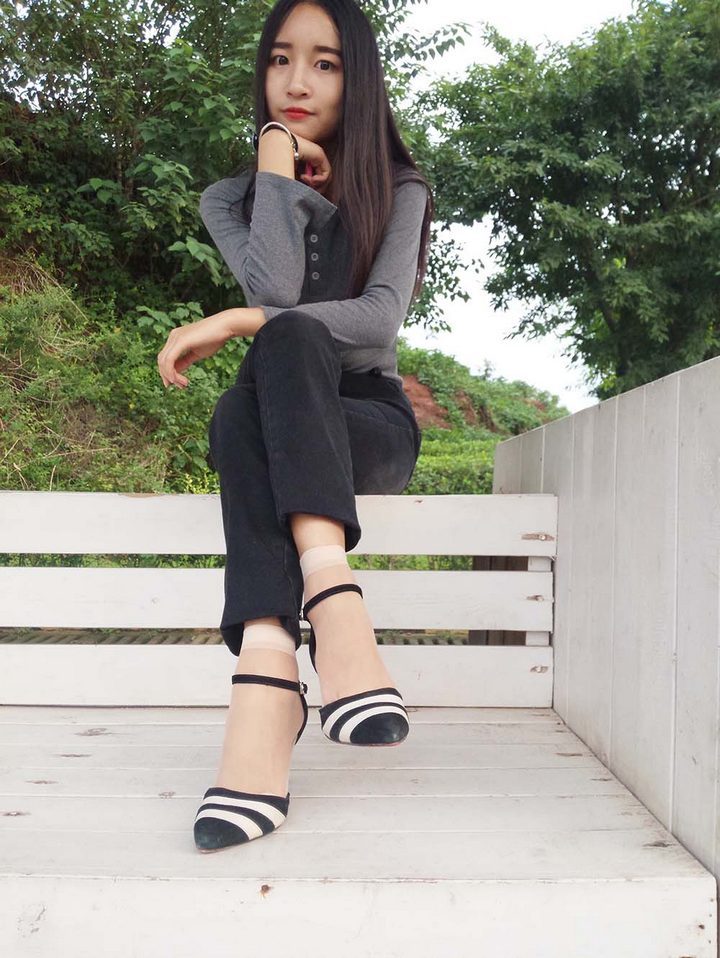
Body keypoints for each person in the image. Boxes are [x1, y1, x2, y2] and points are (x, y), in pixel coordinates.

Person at [156, 0, 434, 853]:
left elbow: (377, 321)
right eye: (281, 59)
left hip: (368, 423)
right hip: (280, 425)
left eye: (325, 62)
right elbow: (277, 285)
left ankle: (284, 668)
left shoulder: (400, 189)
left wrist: (238, 321)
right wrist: (275, 164)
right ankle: (288, 651)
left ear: (358, 78)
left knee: (279, 346)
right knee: (248, 396)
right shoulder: (228, 199)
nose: (297, 80)